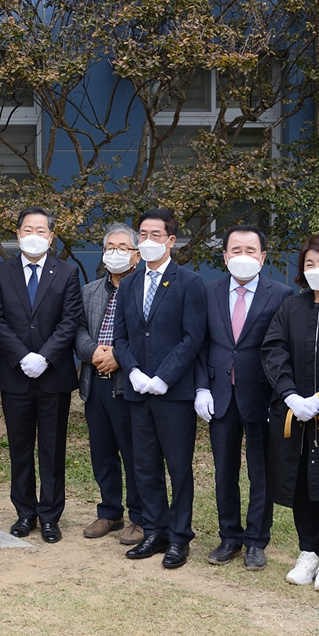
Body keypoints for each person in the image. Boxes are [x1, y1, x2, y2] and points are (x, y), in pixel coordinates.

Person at [112, 208, 207, 568]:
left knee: (178, 466)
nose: (147, 241)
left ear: (171, 240)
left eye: (156, 235)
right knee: (144, 465)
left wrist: (163, 377)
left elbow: (192, 337)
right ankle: (154, 529)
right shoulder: (131, 282)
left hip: (174, 392)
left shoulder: (189, 282)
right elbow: (120, 335)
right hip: (137, 391)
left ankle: (179, 537)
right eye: (143, 234)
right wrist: (133, 370)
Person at [261, 233, 319, 593]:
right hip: (294, 414)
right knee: (300, 482)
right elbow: (273, 349)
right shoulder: (291, 306)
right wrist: (290, 395)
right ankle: (308, 551)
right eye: (310, 264)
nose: (317, 270)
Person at [0, 206, 84, 543]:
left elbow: (70, 320)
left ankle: (50, 516)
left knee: (53, 450)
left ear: (51, 236)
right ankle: (24, 513)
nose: (34, 235)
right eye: (28, 229)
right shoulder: (0, 272)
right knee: (20, 447)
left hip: (53, 375)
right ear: (17, 234)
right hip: (14, 374)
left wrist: (44, 357)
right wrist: (22, 356)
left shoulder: (67, 273)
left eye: (41, 230)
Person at [194, 225, 288, 570]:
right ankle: (229, 536)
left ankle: (256, 541)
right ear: (224, 256)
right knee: (224, 471)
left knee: (260, 472)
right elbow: (201, 344)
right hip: (219, 394)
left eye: (251, 251)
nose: (243, 257)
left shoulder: (280, 294)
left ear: (263, 257)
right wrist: (201, 387)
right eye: (236, 250)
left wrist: (278, 394)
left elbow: (281, 349)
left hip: (261, 396)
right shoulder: (209, 292)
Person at [74, 223, 145, 544]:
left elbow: (151, 335)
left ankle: (140, 517)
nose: (115, 253)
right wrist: (92, 352)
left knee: (134, 453)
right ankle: (109, 511)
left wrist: (119, 354)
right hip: (95, 383)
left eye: (123, 248)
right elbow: (77, 332)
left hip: (127, 384)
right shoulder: (89, 291)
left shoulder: (146, 290)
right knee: (102, 452)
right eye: (110, 248)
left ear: (137, 254)